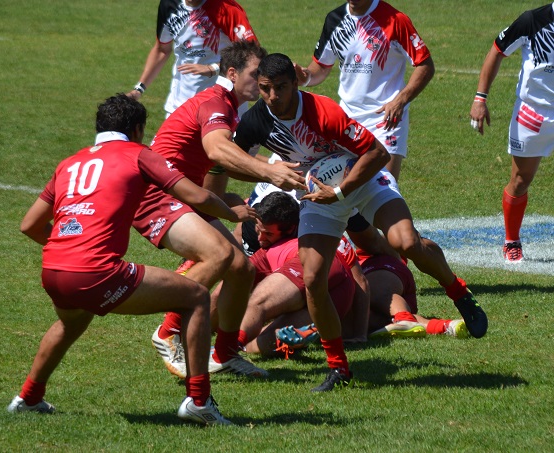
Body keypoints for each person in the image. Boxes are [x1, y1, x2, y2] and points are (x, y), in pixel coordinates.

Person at [234, 53, 488, 391]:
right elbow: (227, 160)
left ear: (295, 82)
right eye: (265, 89)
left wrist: (339, 191)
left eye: (280, 88)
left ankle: (459, 292)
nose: (273, 97)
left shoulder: (323, 111)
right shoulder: (255, 120)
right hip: (320, 195)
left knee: (405, 242)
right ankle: (339, 368)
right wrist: (265, 170)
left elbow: (378, 154)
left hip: (362, 180)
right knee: (312, 278)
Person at [6, 94, 259, 426]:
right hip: (96, 271)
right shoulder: (138, 154)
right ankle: (199, 401)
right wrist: (232, 211)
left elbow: (29, 225)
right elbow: (197, 196)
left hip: (54, 270)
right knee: (196, 297)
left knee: (71, 322)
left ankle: (27, 398)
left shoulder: (69, 162)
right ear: (138, 129)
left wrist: (66, 248)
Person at [132, 41, 306, 379]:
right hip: (156, 195)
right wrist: (271, 169)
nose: (263, 82)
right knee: (222, 256)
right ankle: (168, 331)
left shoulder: (228, 106)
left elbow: (226, 162)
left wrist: (267, 169)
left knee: (242, 268)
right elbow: (217, 150)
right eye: (256, 75)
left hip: (182, 193)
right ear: (232, 73)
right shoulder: (215, 102)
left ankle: (225, 352)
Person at [210, 191, 369, 358]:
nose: (260, 239)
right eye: (259, 230)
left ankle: (224, 354)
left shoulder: (275, 250)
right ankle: (300, 336)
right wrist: (360, 334)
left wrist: (203, 324)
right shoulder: (326, 236)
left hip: (316, 272)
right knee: (258, 344)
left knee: (257, 303)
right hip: (336, 299)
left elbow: (224, 290)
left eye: (268, 234)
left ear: (290, 228)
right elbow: (360, 282)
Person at [128, 0, 259, 200]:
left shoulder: (227, 9)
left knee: (211, 184)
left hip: (222, 108)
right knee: (166, 180)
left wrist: (213, 69)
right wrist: (140, 88)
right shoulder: (169, 6)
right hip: (181, 106)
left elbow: (252, 54)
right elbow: (162, 49)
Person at [294, 0, 435, 182]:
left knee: (384, 188)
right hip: (347, 119)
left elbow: (425, 65)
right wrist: (304, 77)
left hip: (385, 119)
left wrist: (400, 101)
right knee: (344, 188)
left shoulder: (396, 20)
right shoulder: (335, 19)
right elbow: (321, 67)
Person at [469, 3, 554, 264]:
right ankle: (511, 240)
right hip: (534, 114)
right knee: (520, 180)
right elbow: (496, 51)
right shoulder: (532, 20)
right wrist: (480, 98)